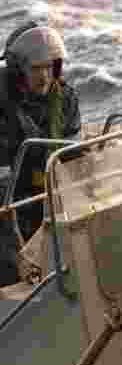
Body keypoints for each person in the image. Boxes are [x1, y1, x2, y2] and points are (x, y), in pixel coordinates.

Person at [0, 21, 81, 284]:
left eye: (50, 67)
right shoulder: (3, 105)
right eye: (36, 69)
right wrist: (17, 253)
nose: (45, 76)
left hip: (47, 195)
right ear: (18, 70)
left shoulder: (64, 98)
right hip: (10, 201)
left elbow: (74, 159)